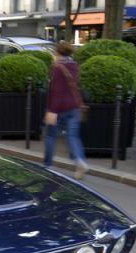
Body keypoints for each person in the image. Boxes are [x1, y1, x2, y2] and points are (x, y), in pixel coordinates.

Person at [44, 41, 89, 180]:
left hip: (59, 107)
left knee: (51, 136)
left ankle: (48, 165)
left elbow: (57, 91)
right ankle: (80, 161)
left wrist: (52, 111)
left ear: (57, 52)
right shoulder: (75, 65)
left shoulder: (57, 67)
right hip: (74, 106)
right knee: (73, 136)